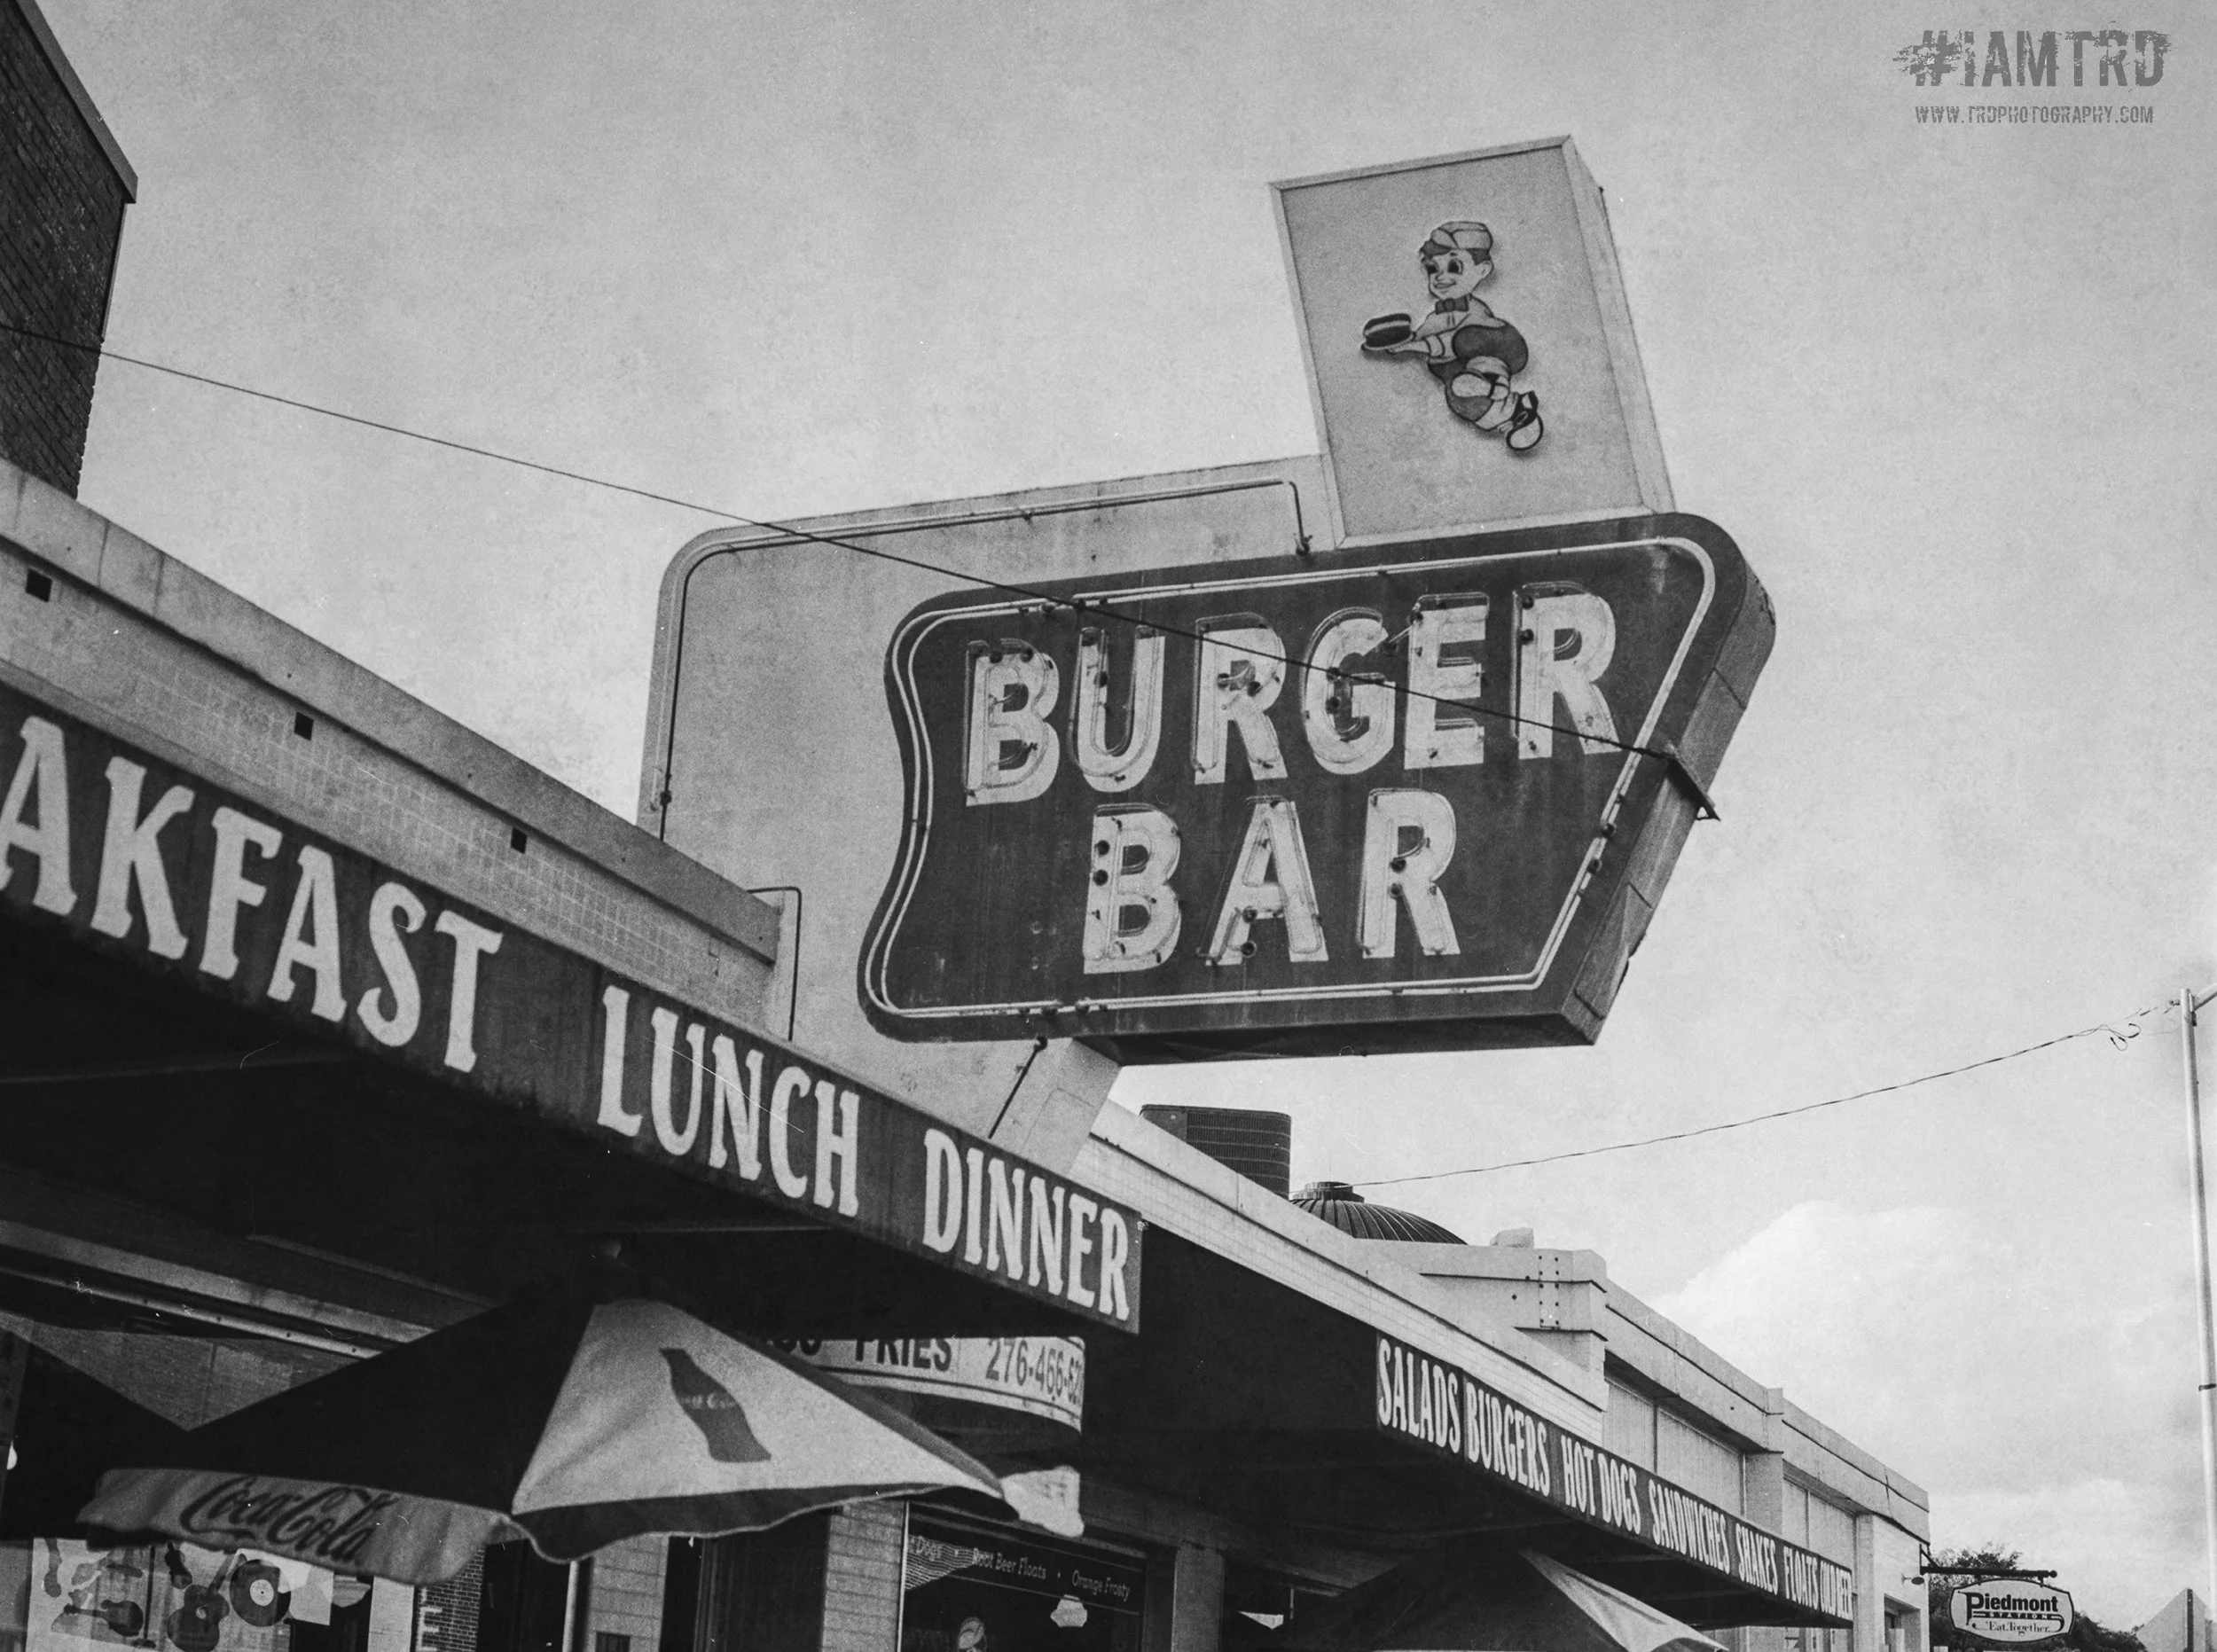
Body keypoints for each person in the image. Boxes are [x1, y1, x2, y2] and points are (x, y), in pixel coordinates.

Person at [1360, 221, 1543, 452]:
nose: (1440, 277)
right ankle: (1504, 416)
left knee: (1468, 340)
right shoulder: (1433, 320)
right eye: (1432, 269)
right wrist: (1400, 343)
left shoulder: (1475, 311)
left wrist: (1417, 347)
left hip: (1498, 349)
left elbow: (1449, 344)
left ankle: (1498, 383)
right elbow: (1423, 341)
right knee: (1454, 391)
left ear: (1483, 270)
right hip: (1464, 372)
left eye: (1454, 267)